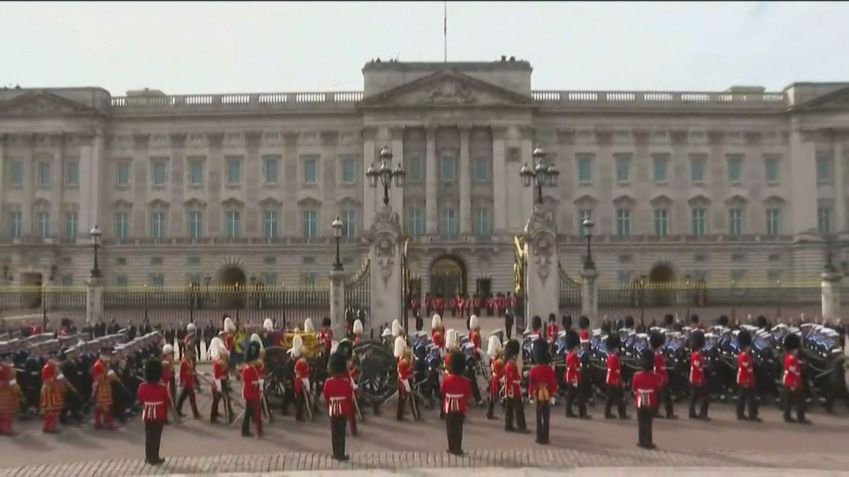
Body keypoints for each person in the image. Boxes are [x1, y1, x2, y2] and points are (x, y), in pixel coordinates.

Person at [323, 352, 354, 461]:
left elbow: (326, 397)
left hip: (332, 409)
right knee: (341, 433)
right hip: (343, 409)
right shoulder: (346, 383)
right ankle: (341, 454)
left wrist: (329, 407)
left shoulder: (328, 382)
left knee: (334, 432)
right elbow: (349, 397)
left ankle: (335, 453)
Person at [441, 351, 472, 456]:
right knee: (459, 429)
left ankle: (451, 447)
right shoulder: (465, 381)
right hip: (461, 407)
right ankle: (458, 448)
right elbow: (468, 393)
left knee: (450, 429)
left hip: (449, 406)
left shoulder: (447, 379)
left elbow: (443, 391)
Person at [137, 359, 167, 465]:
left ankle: (148, 457)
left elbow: (140, 399)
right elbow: (165, 401)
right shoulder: (162, 387)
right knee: (156, 436)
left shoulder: (142, 386)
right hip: (159, 413)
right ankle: (155, 457)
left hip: (147, 412)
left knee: (148, 435)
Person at [528, 340, 557, 445]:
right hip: (547, 395)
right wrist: (552, 394)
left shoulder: (533, 370)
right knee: (546, 417)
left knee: (538, 417)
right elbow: (553, 383)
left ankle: (539, 437)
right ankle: (546, 437)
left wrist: (531, 395)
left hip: (537, 395)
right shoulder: (549, 369)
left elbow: (531, 384)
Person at [632, 349, 661, 450]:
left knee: (641, 422)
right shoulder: (655, 376)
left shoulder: (636, 375)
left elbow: (634, 389)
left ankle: (641, 441)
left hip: (640, 400)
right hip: (651, 401)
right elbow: (657, 389)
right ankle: (648, 442)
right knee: (648, 422)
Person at [782, 333, 810, 424]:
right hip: (793, 382)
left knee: (789, 401)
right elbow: (792, 371)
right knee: (800, 400)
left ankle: (787, 416)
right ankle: (800, 418)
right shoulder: (792, 358)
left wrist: (800, 363)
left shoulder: (789, 357)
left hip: (789, 381)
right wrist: (794, 384)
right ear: (793, 349)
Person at [502, 339, 527, 433]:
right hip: (513, 390)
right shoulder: (510, 365)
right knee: (518, 409)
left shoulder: (511, 364)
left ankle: (509, 425)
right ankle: (521, 426)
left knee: (510, 409)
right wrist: (510, 391)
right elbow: (509, 380)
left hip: (514, 388)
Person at [650, 332, 677, 419]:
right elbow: (657, 368)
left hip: (659, 377)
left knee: (657, 396)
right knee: (666, 397)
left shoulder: (656, 354)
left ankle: (655, 411)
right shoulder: (657, 355)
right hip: (660, 378)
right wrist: (660, 378)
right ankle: (669, 413)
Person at [736, 329, 760, 421]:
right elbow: (745, 369)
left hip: (746, 378)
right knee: (750, 398)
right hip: (745, 378)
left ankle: (741, 413)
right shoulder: (744, 356)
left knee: (743, 397)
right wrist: (746, 381)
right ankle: (751, 414)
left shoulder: (744, 355)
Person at [91, 348, 117, 430]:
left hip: (105, 387)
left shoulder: (104, 363)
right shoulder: (98, 365)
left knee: (100, 407)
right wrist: (107, 375)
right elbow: (97, 378)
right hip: (101, 388)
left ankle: (98, 422)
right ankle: (109, 423)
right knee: (105, 406)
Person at [209, 337, 233, 423]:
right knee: (224, 399)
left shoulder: (223, 363)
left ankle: (216, 414)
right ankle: (226, 416)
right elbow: (217, 376)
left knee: (220, 399)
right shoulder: (218, 363)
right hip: (218, 383)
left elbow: (226, 374)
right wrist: (219, 388)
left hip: (222, 382)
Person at [241, 341, 263, 437]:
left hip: (253, 392)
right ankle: (255, 431)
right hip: (250, 393)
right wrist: (258, 382)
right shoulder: (247, 369)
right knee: (254, 412)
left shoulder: (252, 368)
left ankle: (246, 431)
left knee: (249, 413)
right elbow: (248, 383)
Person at [563, 330, 587, 418]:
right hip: (573, 379)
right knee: (580, 396)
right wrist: (574, 380)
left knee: (570, 396)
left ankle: (569, 412)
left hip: (572, 378)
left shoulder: (571, 355)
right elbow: (572, 370)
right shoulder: (572, 356)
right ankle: (582, 413)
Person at [395, 336, 419, 421]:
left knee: (403, 399)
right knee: (409, 398)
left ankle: (400, 415)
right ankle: (415, 415)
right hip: (405, 382)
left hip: (404, 381)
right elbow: (404, 374)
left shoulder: (402, 359)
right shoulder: (405, 362)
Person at [604, 334, 628, 419]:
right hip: (613, 380)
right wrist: (618, 381)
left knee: (612, 397)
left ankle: (609, 413)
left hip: (613, 379)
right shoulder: (613, 358)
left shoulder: (612, 356)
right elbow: (613, 371)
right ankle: (621, 414)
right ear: (614, 348)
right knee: (618, 397)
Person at [40, 352, 64, 433]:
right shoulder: (47, 367)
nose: (55, 360)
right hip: (49, 391)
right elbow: (47, 380)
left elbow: (59, 377)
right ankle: (48, 427)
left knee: (56, 410)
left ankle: (53, 426)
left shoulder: (55, 367)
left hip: (56, 389)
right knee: (50, 410)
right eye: (53, 358)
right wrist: (55, 376)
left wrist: (60, 377)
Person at [688, 330, 710, 420]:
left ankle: (692, 413)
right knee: (704, 397)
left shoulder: (694, 354)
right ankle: (702, 414)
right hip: (697, 378)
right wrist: (699, 380)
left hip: (694, 377)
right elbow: (698, 369)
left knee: (694, 397)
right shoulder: (697, 355)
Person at [290, 335, 310, 422]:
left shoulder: (303, 362)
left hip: (304, 379)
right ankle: (299, 415)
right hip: (300, 381)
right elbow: (297, 371)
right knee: (299, 399)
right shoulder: (299, 363)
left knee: (302, 398)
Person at [176, 345, 200, 419]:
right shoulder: (184, 362)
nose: (191, 354)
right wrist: (181, 381)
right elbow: (181, 372)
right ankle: (195, 413)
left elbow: (191, 370)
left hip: (189, 381)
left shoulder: (188, 361)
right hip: (186, 382)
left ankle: (178, 410)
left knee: (185, 397)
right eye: (189, 353)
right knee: (189, 397)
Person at [0, 351, 20, 435]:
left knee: (7, 412)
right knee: (5, 412)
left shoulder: (9, 368)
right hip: (4, 393)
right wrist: (11, 383)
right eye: (8, 359)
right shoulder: (3, 369)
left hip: (9, 392)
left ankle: (6, 428)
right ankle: (5, 429)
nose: (10, 360)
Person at [486, 335, 504, 420]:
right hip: (497, 379)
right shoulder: (498, 361)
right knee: (495, 397)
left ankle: (490, 413)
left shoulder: (494, 360)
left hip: (495, 379)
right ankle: (490, 414)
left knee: (495, 397)